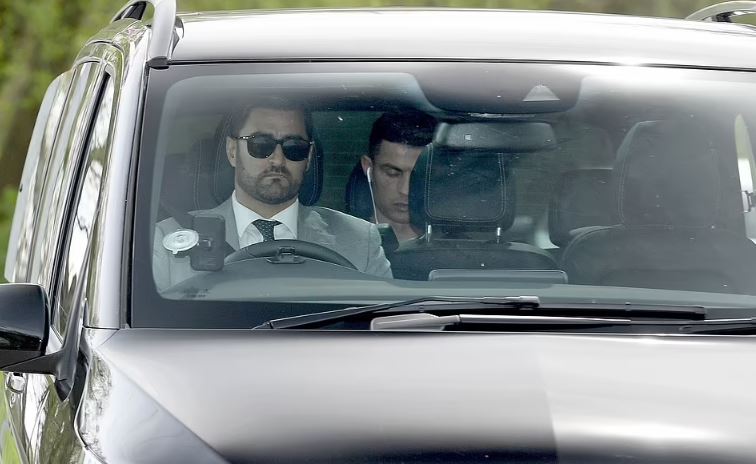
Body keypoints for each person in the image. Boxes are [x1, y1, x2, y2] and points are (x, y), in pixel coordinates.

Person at [154, 103, 392, 290]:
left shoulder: (360, 241)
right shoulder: (168, 240)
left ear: (309, 157)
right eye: (261, 144)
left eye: (294, 147)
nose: (277, 160)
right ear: (232, 151)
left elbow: (381, 326)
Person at [360, 111, 436, 242]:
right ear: (369, 168)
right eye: (392, 173)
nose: (405, 190)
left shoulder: (459, 246)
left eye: (419, 176)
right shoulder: (342, 242)